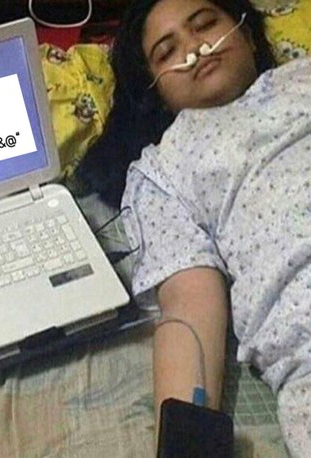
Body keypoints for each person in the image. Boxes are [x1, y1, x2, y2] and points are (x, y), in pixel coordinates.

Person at [77, 0, 311, 456]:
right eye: (166, 52)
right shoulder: (164, 169)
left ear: (246, 33)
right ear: (155, 91)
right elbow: (189, 309)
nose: (195, 49)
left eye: (205, 25)